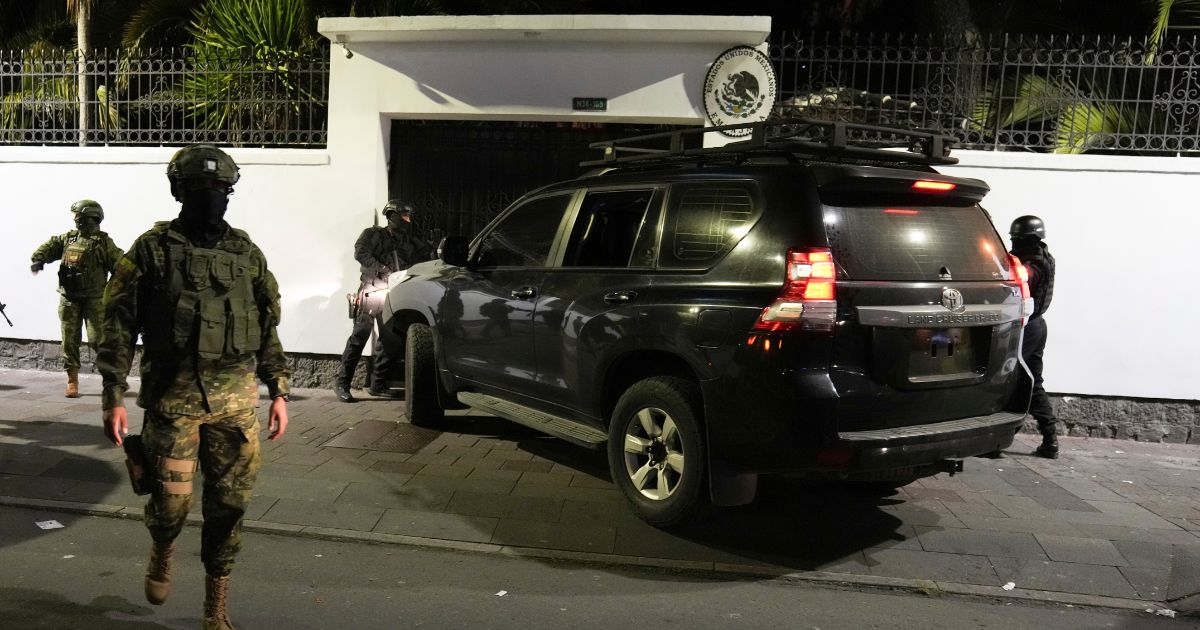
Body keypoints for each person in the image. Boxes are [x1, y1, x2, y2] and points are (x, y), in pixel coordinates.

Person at [97, 144, 290, 630]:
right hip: (172, 405)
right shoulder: (151, 250)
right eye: (200, 189)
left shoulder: (247, 254)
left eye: (220, 189)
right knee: (171, 505)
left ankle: (215, 608)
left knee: (228, 509)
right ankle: (163, 546)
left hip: (235, 408)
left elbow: (267, 326)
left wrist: (278, 389)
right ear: (178, 191)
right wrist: (113, 394)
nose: (211, 197)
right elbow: (117, 324)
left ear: (231, 193)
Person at [333, 199, 431, 403]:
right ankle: (342, 383)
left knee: (390, 340)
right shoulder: (373, 234)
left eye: (409, 216)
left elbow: (422, 257)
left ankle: (378, 384)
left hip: (390, 294)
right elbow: (360, 252)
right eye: (404, 215)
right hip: (370, 292)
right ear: (393, 216)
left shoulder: (408, 242)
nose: (408, 220)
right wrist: (381, 267)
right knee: (359, 337)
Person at [30, 199, 124, 397]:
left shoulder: (104, 243)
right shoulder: (68, 239)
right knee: (69, 341)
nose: (75, 220)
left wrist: (117, 289)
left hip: (94, 300)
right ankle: (72, 380)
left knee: (98, 340)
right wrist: (39, 259)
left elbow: (120, 266)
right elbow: (50, 247)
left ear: (91, 217)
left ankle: (113, 378)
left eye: (79, 216)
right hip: (69, 299)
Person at [1010, 215, 1058, 459]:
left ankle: (1000, 437)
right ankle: (1050, 439)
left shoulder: (1034, 261)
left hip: (1027, 328)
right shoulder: (1043, 255)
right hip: (1036, 327)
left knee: (1008, 376)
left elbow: (1022, 278)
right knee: (1031, 382)